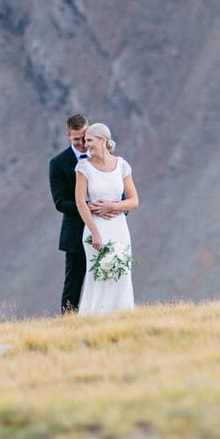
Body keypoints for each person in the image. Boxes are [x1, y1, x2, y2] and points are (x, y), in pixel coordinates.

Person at [74, 122, 138, 314]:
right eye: (85, 141)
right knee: (98, 274)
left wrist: (113, 206)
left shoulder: (122, 165)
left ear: (103, 140)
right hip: (96, 229)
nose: (86, 145)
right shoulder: (83, 167)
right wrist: (95, 233)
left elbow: (134, 200)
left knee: (122, 273)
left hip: (119, 228)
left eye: (90, 140)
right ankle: (95, 316)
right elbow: (80, 202)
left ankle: (122, 315)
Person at [49, 113, 91, 313]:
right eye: (77, 139)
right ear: (68, 136)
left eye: (85, 138)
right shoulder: (58, 163)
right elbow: (60, 202)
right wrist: (87, 207)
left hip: (106, 228)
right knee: (73, 284)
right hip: (75, 233)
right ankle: (68, 323)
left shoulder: (101, 156)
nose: (82, 143)